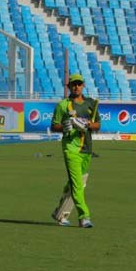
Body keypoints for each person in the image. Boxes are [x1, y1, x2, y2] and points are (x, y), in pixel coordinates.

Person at [49, 74, 101, 228]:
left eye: (79, 84)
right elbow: (54, 126)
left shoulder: (91, 103)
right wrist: (65, 126)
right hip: (71, 148)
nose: (76, 87)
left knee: (75, 183)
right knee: (78, 184)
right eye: (73, 84)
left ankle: (59, 212)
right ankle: (84, 216)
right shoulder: (63, 105)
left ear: (83, 85)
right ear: (69, 87)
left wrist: (86, 125)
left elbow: (98, 125)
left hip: (87, 149)